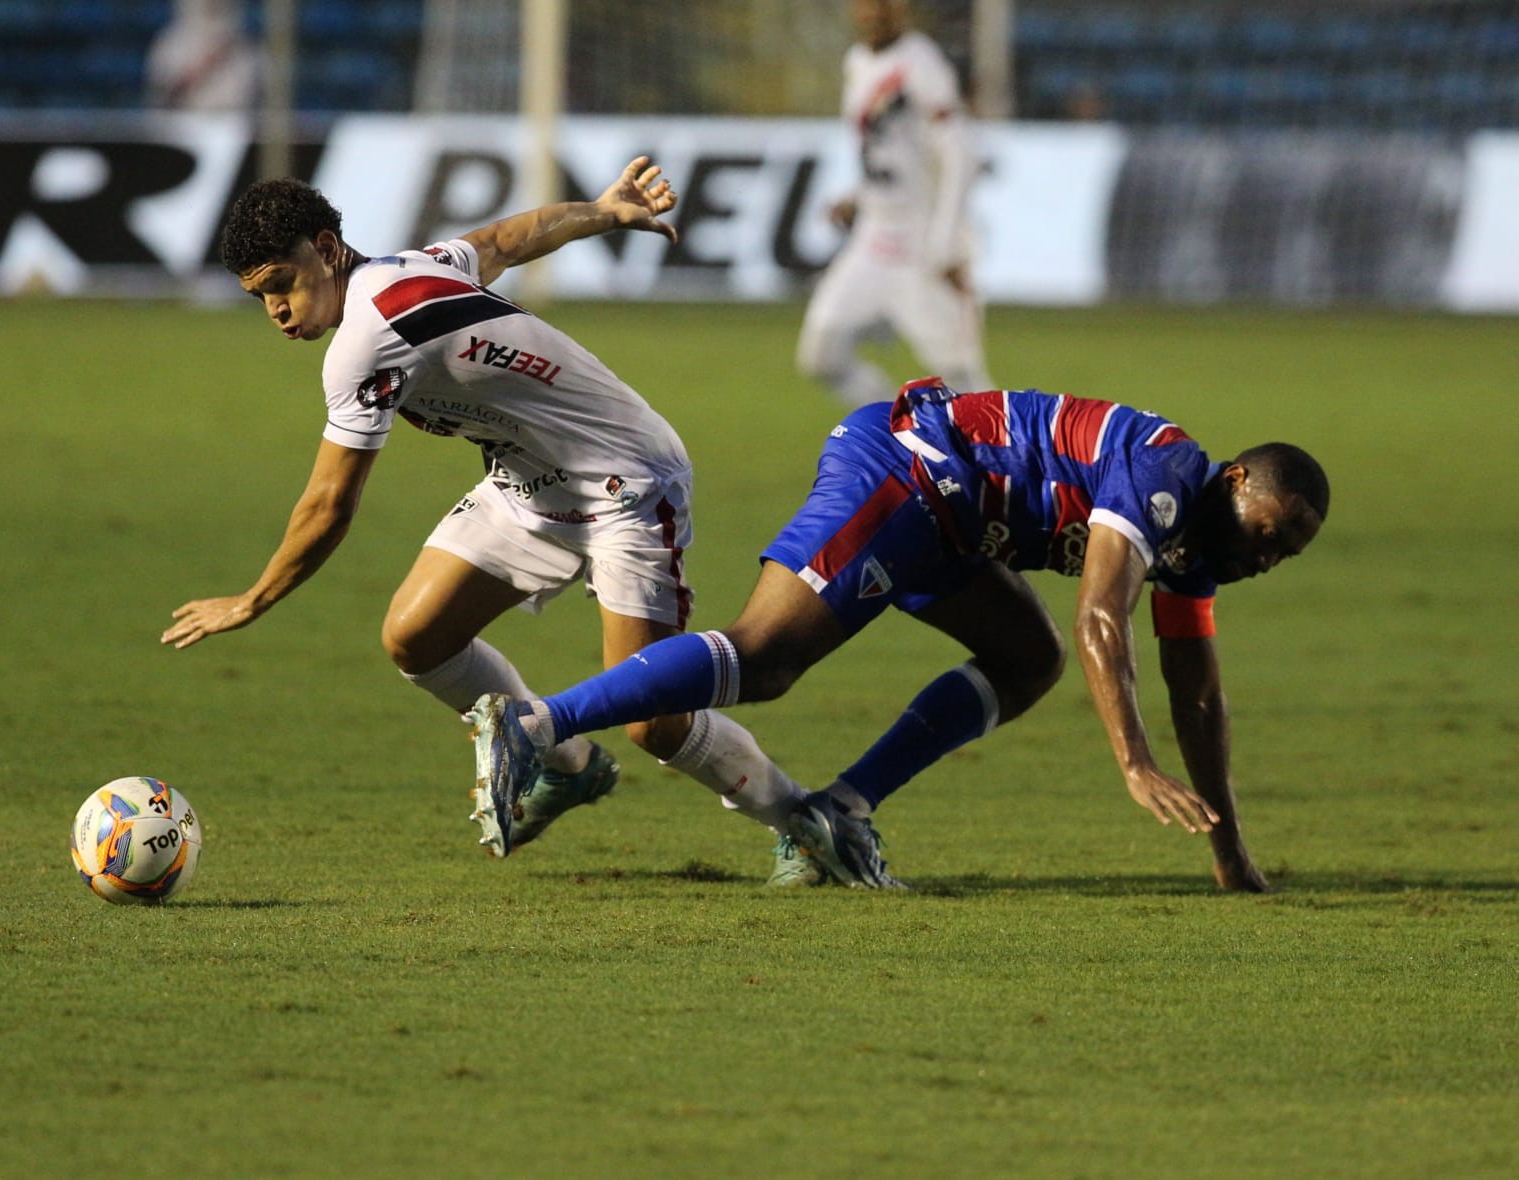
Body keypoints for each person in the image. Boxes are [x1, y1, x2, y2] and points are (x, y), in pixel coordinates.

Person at [162, 158, 809, 854]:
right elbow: (506, 239)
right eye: (259, 297)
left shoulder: (365, 340)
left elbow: (328, 503)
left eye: (281, 285)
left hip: (625, 485)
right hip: (528, 484)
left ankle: (806, 822)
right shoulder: (411, 267)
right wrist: (605, 210)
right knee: (417, 637)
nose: (276, 311)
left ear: (324, 250)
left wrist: (253, 599)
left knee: (654, 722)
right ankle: (568, 768)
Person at [471, 377, 1330, 891]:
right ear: (1237, 478)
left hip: (951, 524)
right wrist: (1135, 764)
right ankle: (536, 724)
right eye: (1270, 528)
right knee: (766, 656)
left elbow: (1199, 689)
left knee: (1026, 659)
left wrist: (1226, 846)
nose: (1269, 554)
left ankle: (833, 816)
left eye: (1287, 551)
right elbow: (1102, 613)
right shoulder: (1166, 475)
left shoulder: (1201, 548)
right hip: (906, 469)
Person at [796, 0, 991, 409]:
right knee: (821, 356)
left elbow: (961, 156)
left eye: (885, 4)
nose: (875, 12)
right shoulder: (858, 61)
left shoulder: (922, 65)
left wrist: (946, 241)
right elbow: (892, 152)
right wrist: (861, 196)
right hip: (874, 237)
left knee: (963, 383)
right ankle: (900, 434)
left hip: (923, 239)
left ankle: (1004, 467)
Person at [146, 0, 263, 112]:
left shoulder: (245, 49)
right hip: (186, 122)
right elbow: (161, 99)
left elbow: (250, 96)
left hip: (232, 121)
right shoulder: (171, 43)